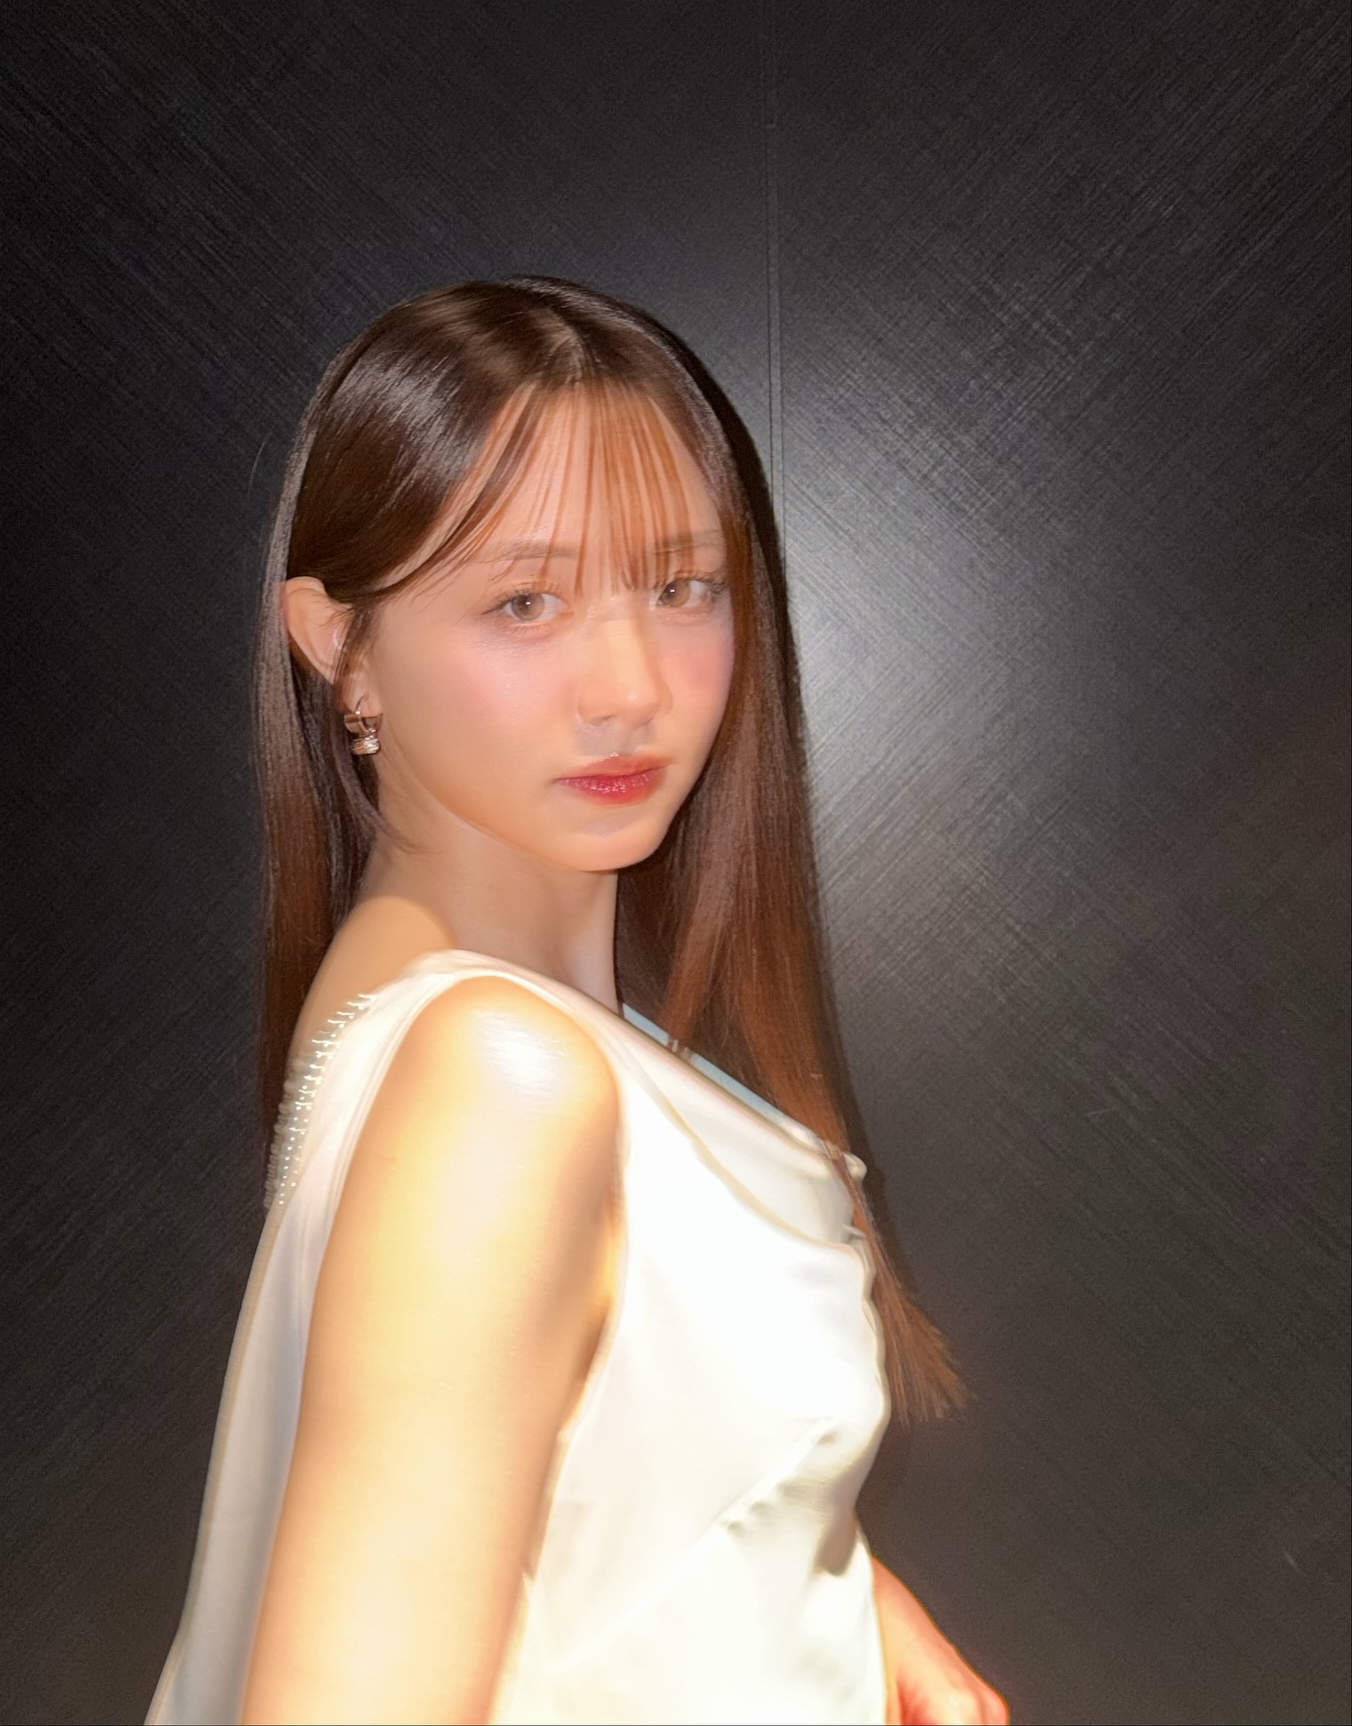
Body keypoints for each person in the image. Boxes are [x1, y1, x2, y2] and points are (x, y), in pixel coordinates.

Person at [146, 277, 1009, 1725]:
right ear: (340, 646)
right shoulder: (499, 1078)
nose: (629, 689)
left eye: (682, 587)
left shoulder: (457, 1028)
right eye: (525, 601)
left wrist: (830, 1583)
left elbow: (580, 1475)